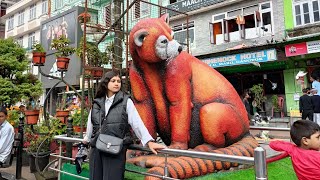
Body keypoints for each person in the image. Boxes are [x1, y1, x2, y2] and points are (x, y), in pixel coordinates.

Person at [83, 71, 166, 180]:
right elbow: (91, 123)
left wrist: (149, 141)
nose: (116, 83)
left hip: (115, 148)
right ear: (106, 83)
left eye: (118, 81)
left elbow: (136, 123)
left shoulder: (126, 101)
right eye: (113, 81)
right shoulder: (97, 103)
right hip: (97, 148)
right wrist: (87, 139)